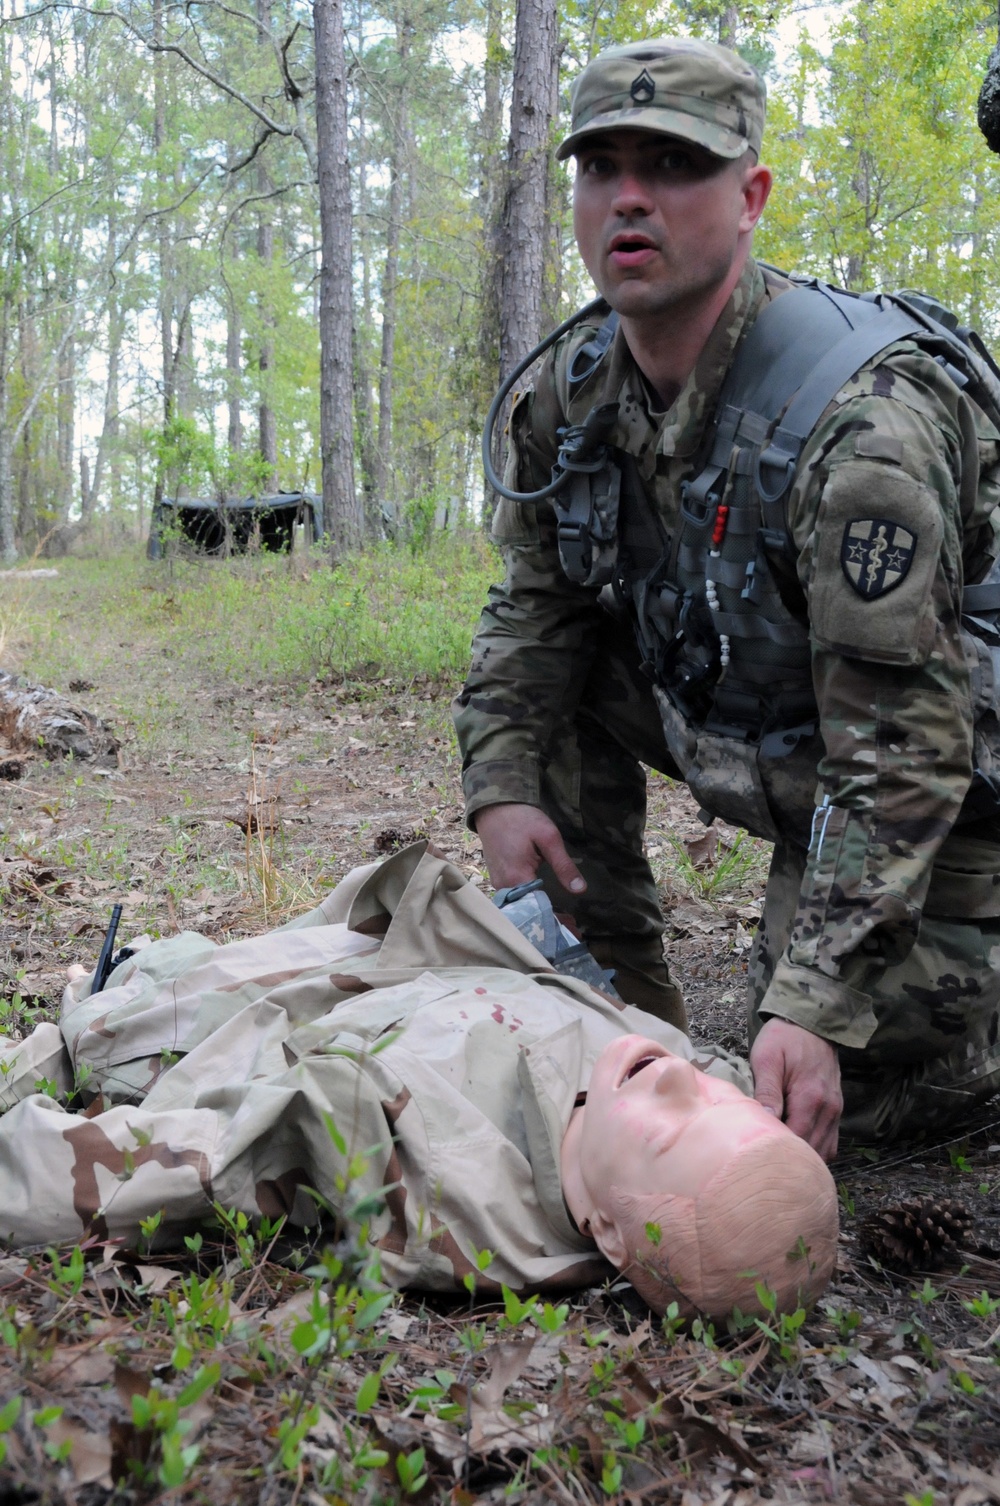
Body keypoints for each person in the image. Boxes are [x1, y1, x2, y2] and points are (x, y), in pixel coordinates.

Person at [454, 36, 1000, 1163]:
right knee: (551, 697)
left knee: (815, 1095)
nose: (630, 199)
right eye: (601, 167)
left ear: (748, 197)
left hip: (945, 772)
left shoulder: (862, 428)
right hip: (789, 729)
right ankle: (610, 1016)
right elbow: (533, 614)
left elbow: (904, 747)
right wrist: (502, 786)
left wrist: (810, 999)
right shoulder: (575, 392)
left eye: (672, 164)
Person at [0, 844, 837, 1321]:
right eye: (723, 1102)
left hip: (262, 1023)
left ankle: (122, 992)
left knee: (129, 1011)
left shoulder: (415, 1172)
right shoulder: (653, 1088)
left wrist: (40, 1081)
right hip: (410, 963)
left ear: (612, 1239)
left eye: (673, 1130)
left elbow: (169, 1169)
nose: (684, 1086)